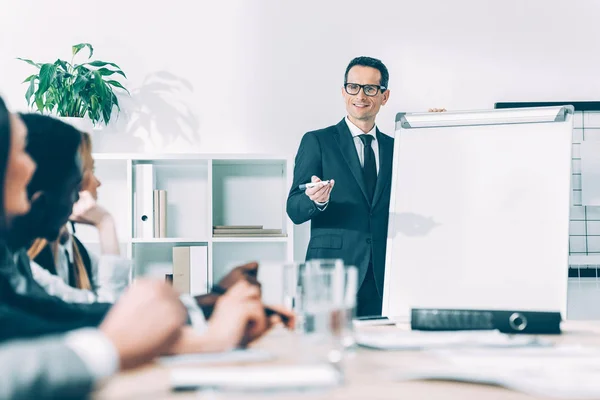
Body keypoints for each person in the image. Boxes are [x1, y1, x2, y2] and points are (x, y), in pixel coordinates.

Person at [0, 95, 187, 398]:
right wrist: (116, 345)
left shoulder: (18, 257)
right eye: (18, 152)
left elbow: (56, 312)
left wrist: (184, 311)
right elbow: (38, 327)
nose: (27, 165)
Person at [287, 56, 393, 317]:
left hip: (384, 274)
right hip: (331, 273)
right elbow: (294, 209)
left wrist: (434, 131)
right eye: (353, 87)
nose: (361, 95)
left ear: (384, 96)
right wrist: (316, 200)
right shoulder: (318, 141)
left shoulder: (396, 147)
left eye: (370, 89)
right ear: (343, 92)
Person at [28, 131, 130, 302]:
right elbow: (107, 308)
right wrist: (105, 224)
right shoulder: (27, 263)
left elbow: (118, 302)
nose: (98, 182)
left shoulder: (75, 250)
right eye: (92, 170)